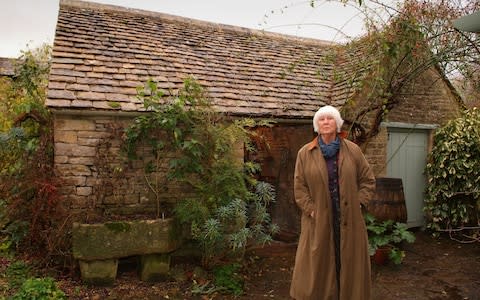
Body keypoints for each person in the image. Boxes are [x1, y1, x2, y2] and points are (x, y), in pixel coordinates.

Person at [290, 105, 376, 300]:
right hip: (318, 219)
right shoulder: (305, 153)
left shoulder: (353, 150)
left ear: (337, 124)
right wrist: (311, 210)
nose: (326, 122)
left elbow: (368, 180)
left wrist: (359, 203)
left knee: (348, 260)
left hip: (349, 219)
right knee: (318, 262)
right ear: (316, 125)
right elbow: (299, 187)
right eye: (322, 119)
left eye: (330, 118)